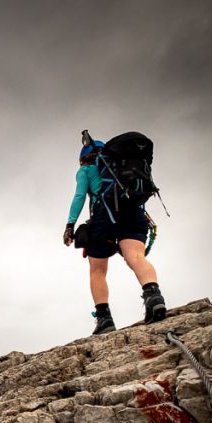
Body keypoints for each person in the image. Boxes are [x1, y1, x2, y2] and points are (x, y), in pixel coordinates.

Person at [62, 139, 166, 335]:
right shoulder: (119, 168)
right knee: (136, 257)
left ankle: (104, 319)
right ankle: (154, 298)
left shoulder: (86, 171)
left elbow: (79, 197)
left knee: (97, 270)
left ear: (83, 158)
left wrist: (70, 225)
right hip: (133, 212)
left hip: (104, 217)